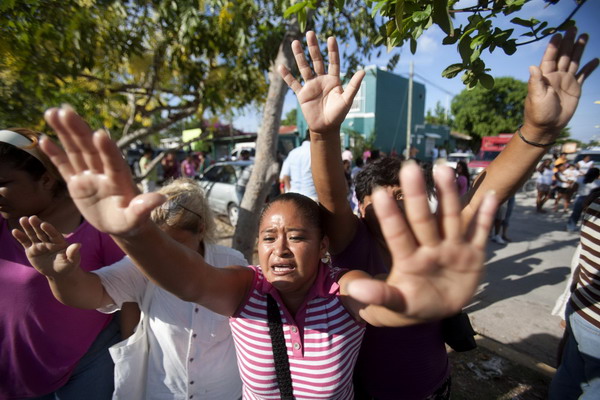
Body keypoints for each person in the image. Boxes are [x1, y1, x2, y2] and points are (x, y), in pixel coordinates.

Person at [40, 105, 498, 400]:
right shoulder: (244, 287)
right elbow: (190, 280)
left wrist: (416, 299)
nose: (280, 248)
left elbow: (381, 302)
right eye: (268, 237)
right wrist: (134, 234)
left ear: (323, 247)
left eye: (297, 237)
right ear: (255, 247)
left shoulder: (343, 287)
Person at [278, 28, 597, 400]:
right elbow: (331, 191)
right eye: (383, 199)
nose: (397, 207)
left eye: (405, 197)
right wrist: (323, 134)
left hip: (436, 387)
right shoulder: (351, 240)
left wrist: (539, 130)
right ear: (360, 207)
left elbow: (486, 195)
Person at [12, 178, 247, 399]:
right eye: (158, 242)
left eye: (175, 244)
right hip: (162, 392)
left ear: (201, 229)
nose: (165, 254)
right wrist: (61, 276)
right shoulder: (143, 265)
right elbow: (93, 293)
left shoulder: (231, 262)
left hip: (225, 392)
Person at [0, 128, 126, 399]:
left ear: (46, 179)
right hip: (13, 372)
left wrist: (134, 358)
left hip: (88, 367)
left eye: (4, 182)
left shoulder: (96, 222)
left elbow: (130, 297)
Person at [549, 188, 600, 399]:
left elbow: (581, 264)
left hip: (581, 309)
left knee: (569, 377)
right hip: (592, 319)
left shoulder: (595, 202)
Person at [566, 167, 600, 231]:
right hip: (592, 200)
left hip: (580, 198)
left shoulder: (581, 179)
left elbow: (573, 189)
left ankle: (570, 227)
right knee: (589, 215)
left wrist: (568, 198)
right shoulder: (598, 182)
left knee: (576, 213)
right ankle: (587, 228)